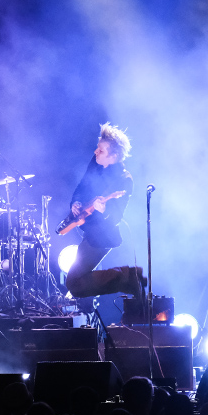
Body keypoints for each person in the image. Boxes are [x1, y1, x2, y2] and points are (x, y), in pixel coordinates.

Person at [64, 122, 145, 299]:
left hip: (102, 236)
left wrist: (103, 211)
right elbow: (82, 185)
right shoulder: (96, 162)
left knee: (73, 284)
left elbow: (115, 217)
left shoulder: (124, 180)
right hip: (88, 228)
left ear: (114, 156)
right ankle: (128, 277)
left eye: (101, 151)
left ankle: (128, 277)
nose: (95, 152)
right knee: (78, 284)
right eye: (97, 148)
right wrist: (75, 202)